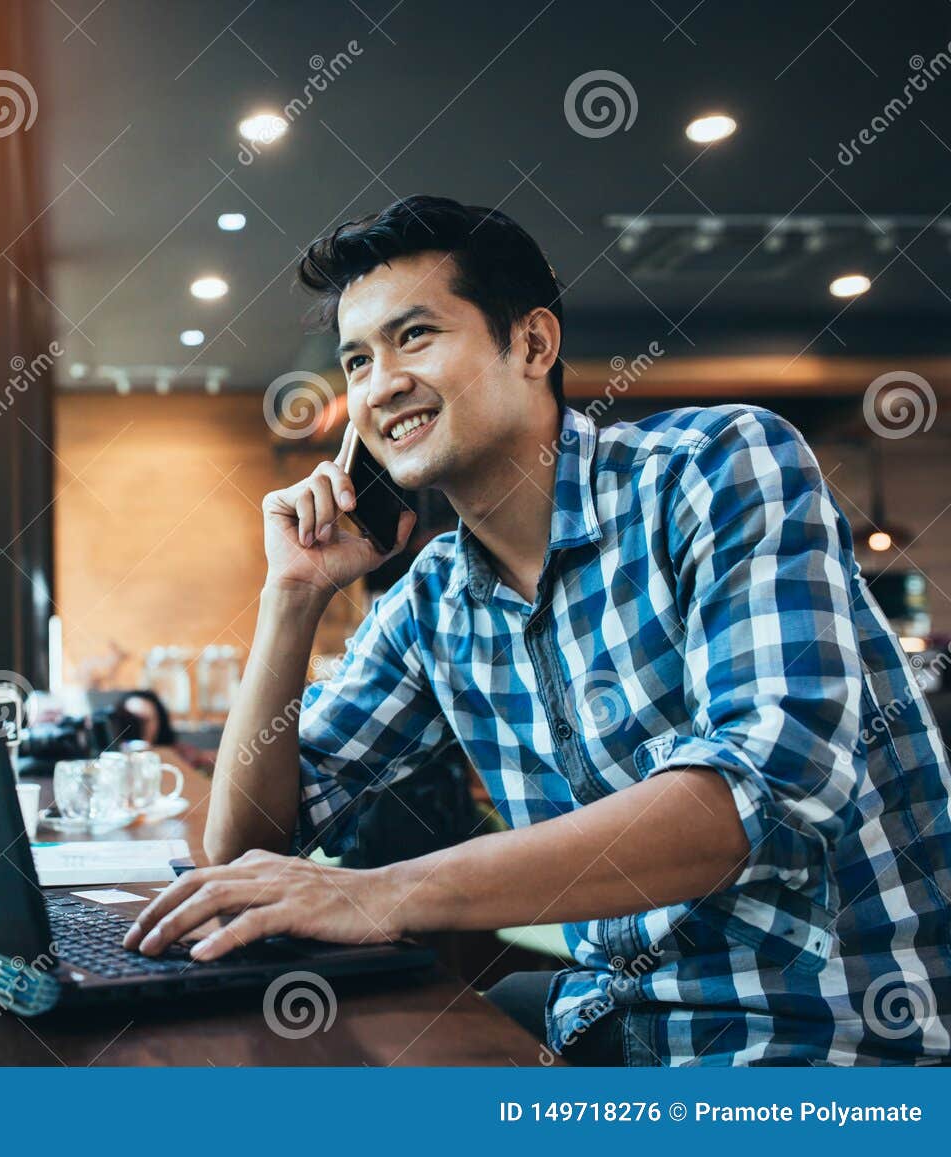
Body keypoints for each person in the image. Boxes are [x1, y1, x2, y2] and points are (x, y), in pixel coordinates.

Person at [121, 195, 951, 1066]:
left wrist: (386, 894)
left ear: (532, 344)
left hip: (821, 1040)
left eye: (415, 337)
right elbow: (248, 847)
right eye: (356, 359)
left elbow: (764, 784)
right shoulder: (435, 600)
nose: (380, 385)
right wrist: (291, 598)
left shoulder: (716, 466)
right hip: (615, 1024)